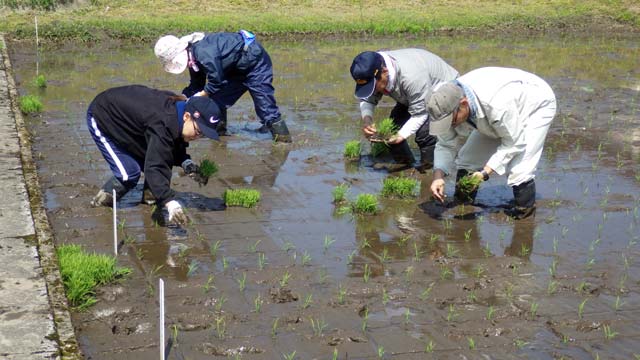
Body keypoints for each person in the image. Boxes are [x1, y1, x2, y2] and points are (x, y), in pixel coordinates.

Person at [426, 67, 557, 219]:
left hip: (535, 104)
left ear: (463, 104)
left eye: (451, 121)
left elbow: (514, 143)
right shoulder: (444, 101)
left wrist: (484, 173)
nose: (450, 125)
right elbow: (445, 144)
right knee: (468, 159)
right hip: (494, 111)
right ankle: (463, 203)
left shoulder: (497, 104)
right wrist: (438, 176)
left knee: (519, 170)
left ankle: (524, 215)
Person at [87, 85, 223, 225]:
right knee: (128, 174)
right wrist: (170, 202)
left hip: (132, 121)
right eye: (198, 131)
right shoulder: (163, 121)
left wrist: (185, 162)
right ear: (187, 116)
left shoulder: (179, 113)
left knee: (160, 155)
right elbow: (155, 165)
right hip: (103, 115)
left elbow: (171, 143)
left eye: (203, 135)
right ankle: (100, 207)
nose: (198, 137)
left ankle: (150, 197)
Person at [154, 30, 291, 143]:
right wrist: (184, 98)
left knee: (265, 107)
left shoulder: (203, 53)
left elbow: (216, 82)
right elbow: (197, 84)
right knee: (215, 102)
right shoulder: (193, 59)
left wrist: (203, 94)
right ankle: (219, 133)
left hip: (255, 64)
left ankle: (283, 142)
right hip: (235, 68)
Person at [349, 49, 458, 171]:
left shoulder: (412, 77)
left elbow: (420, 113)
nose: (373, 91)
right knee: (392, 128)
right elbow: (368, 99)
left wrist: (401, 135)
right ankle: (405, 165)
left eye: (374, 87)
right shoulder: (374, 67)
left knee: (425, 133)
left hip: (444, 92)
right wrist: (367, 120)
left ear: (385, 72)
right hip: (414, 95)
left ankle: (429, 169)